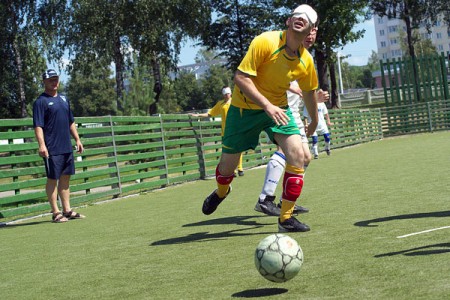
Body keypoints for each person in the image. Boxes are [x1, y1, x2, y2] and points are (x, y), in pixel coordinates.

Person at [201, 4, 320, 232]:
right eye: (296, 15)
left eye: (307, 18)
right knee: (227, 168)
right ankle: (221, 191)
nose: (300, 18)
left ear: (311, 30)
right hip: (243, 109)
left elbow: (309, 92)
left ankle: (285, 218)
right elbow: (241, 78)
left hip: (277, 109)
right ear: (288, 21)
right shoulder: (265, 41)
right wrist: (266, 105)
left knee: (297, 155)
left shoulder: (307, 62)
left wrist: (313, 121)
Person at [254, 24, 329, 217]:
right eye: (308, 31)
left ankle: (287, 200)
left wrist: (314, 100)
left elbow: (306, 90)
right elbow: (274, 79)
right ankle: (265, 198)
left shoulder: (306, 58)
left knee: (305, 157)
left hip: (293, 110)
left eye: (314, 31)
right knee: (286, 151)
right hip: (281, 107)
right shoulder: (284, 51)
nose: (310, 35)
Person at [33, 69, 85, 223]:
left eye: (56, 79)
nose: (54, 82)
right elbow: (38, 126)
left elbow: (71, 121)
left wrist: (77, 139)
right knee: (52, 179)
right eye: (51, 80)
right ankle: (56, 213)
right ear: (44, 82)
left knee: (65, 178)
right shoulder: (40, 102)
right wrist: (42, 145)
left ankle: (67, 210)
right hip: (51, 148)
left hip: (66, 147)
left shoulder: (63, 99)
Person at [189, 86, 244, 176]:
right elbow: (210, 113)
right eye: (225, 94)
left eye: (228, 93)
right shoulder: (220, 104)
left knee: (238, 149)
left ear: (231, 93)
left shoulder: (236, 101)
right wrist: (197, 115)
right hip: (225, 132)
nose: (227, 95)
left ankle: (240, 168)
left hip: (236, 129)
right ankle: (232, 170)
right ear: (223, 94)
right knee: (229, 152)